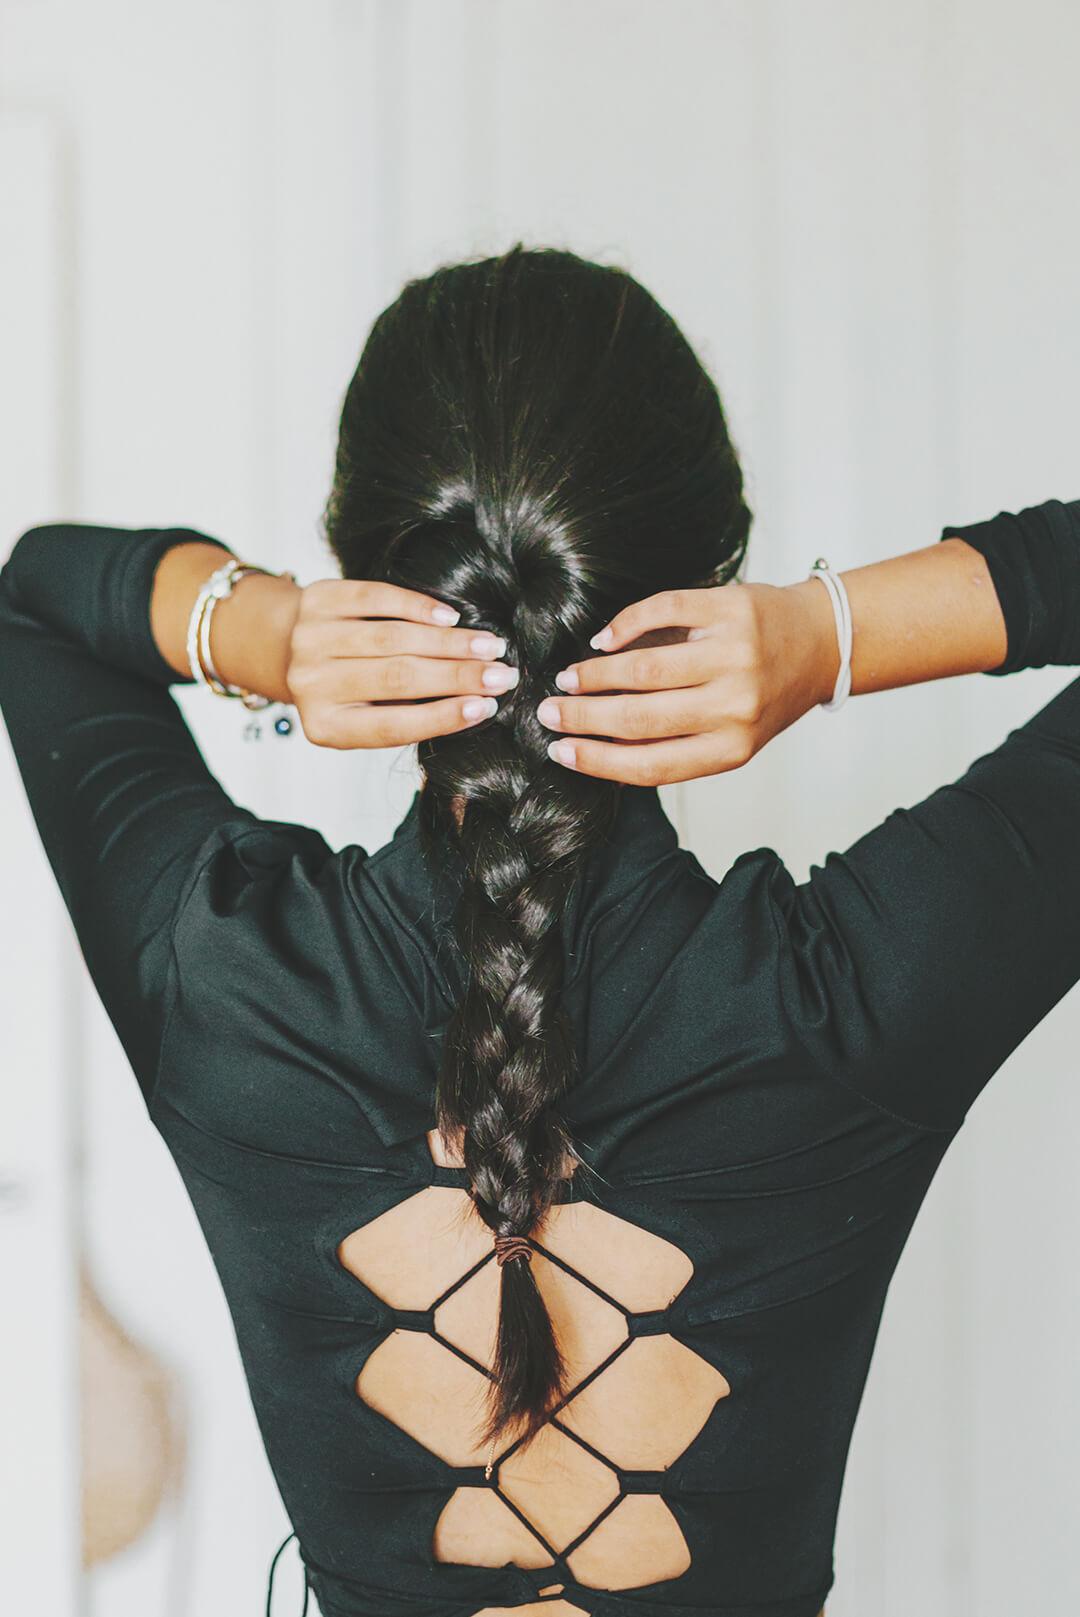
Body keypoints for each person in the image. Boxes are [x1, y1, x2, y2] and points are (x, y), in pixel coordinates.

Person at [1, 243, 1077, 1617]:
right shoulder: (846, 1004)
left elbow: (35, 596)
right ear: (710, 570)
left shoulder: (230, 983)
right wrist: (831, 635)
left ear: (361, 571)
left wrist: (258, 632)